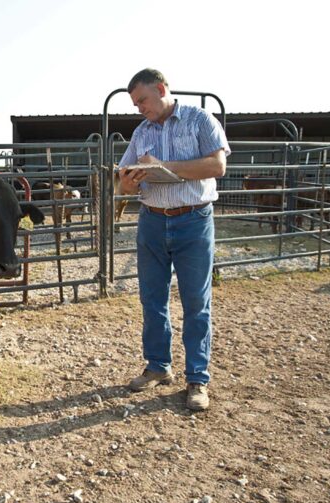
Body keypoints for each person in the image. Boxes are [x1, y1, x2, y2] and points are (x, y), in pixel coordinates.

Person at [117, 68, 229, 410]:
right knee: (152, 300)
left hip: (193, 220)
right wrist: (130, 182)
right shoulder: (141, 132)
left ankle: (197, 378)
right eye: (135, 104)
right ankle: (157, 367)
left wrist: (166, 166)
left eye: (143, 101)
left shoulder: (200, 120)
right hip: (151, 220)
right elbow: (123, 181)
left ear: (162, 89)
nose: (140, 109)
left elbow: (216, 166)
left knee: (196, 302)